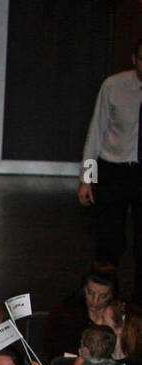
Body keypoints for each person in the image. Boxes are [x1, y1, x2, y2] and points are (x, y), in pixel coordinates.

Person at [80, 39, 142, 295]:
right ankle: (104, 295)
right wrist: (87, 178)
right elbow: (96, 132)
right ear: (134, 59)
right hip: (113, 169)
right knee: (108, 240)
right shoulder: (114, 86)